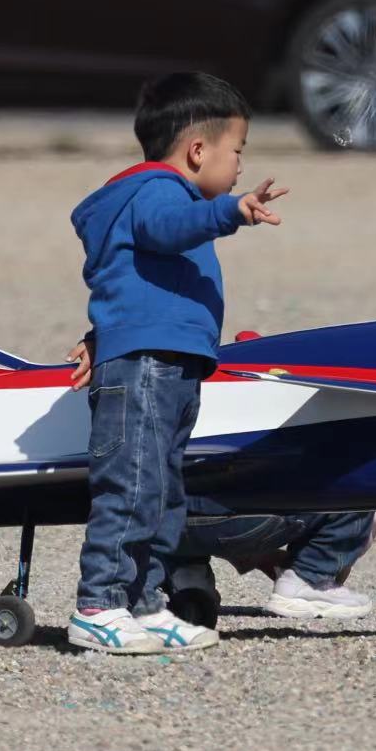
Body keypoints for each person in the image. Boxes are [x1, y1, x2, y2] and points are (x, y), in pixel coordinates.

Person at [61, 72, 289, 656]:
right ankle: (99, 604)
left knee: (163, 493)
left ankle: (144, 602)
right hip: (144, 367)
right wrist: (229, 213)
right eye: (236, 151)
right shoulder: (159, 192)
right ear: (196, 150)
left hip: (171, 368)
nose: (239, 165)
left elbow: (130, 282)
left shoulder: (157, 195)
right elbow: (167, 230)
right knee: (132, 485)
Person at [163, 512, 376, 629]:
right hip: (227, 515)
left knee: (197, 607)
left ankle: (185, 578)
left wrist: (261, 556)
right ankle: (309, 580)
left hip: (159, 521)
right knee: (353, 499)